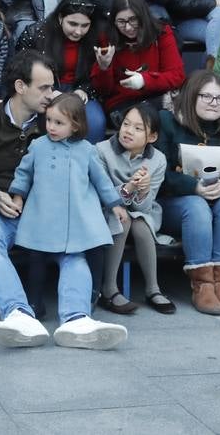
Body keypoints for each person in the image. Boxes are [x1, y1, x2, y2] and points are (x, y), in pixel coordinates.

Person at [3, 92, 128, 349]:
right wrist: (18, 197)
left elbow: (101, 180)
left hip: (80, 214)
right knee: (36, 258)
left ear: (76, 125)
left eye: (59, 123)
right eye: (49, 120)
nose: (51, 127)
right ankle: (35, 303)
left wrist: (115, 204)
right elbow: (23, 173)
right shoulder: (38, 146)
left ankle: (91, 296)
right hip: (43, 214)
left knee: (95, 249)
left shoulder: (87, 150)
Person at [0, 51, 56, 347]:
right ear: (20, 86)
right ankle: (18, 314)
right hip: (0, 212)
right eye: (44, 88)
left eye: (52, 87)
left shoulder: (53, 124)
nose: (51, 95)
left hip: (44, 212)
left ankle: (79, 315)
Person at [156, 69, 220, 315]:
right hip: (175, 204)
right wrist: (192, 186)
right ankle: (202, 284)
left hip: (215, 200)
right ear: (192, 96)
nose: (213, 103)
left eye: (219, 98)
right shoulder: (167, 120)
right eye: (206, 96)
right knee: (196, 207)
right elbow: (158, 173)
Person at [94, 104, 173, 314]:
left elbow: (144, 207)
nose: (128, 130)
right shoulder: (101, 150)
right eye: (126, 124)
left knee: (139, 221)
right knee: (124, 218)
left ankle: (153, 289)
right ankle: (109, 288)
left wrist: (144, 190)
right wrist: (129, 187)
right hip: (106, 209)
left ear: (152, 137)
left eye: (138, 128)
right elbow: (102, 193)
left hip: (141, 212)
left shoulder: (158, 160)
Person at [17, 0, 109, 138]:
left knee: (95, 122)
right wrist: (47, 90)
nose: (78, 31)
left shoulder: (95, 37)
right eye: (72, 24)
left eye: (85, 25)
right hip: (45, 91)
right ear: (60, 18)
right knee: (55, 122)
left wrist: (84, 89)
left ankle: (86, 160)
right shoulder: (37, 33)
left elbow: (97, 80)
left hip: (80, 92)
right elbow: (20, 70)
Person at [91, 0, 186, 119]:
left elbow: (177, 76)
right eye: (121, 21)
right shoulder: (107, 38)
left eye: (133, 19)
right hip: (123, 103)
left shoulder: (161, 33)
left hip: (157, 98)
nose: (128, 27)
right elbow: (103, 91)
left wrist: (144, 80)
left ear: (143, 16)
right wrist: (104, 68)